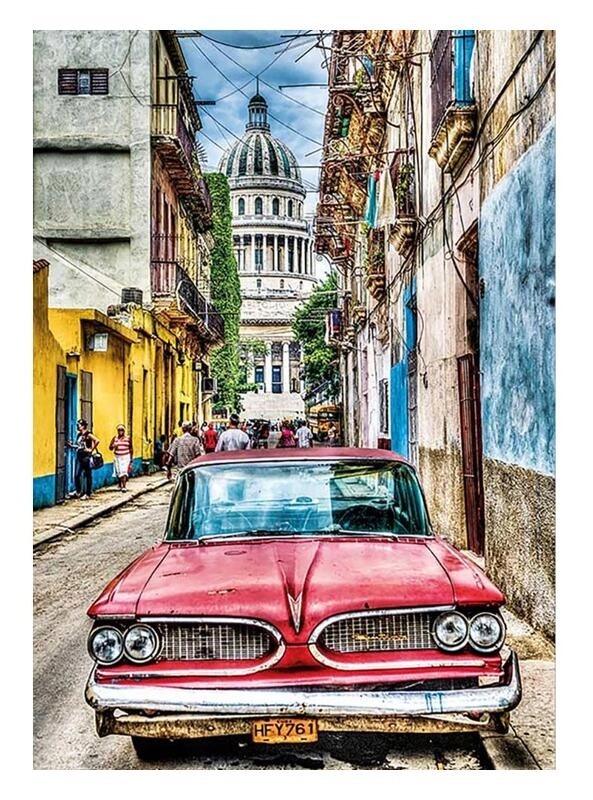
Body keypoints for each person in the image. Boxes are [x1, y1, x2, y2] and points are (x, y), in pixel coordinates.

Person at [67, 419, 100, 499]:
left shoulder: (88, 434)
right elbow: (80, 446)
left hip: (86, 457)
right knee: (77, 475)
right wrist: (72, 446)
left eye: (79, 425)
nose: (77, 426)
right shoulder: (79, 435)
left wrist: (91, 449)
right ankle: (78, 491)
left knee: (88, 475)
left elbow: (97, 440)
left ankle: (87, 493)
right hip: (80, 456)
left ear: (83, 426)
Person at [109, 424, 133, 491]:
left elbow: (131, 448)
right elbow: (110, 448)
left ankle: (124, 486)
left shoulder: (128, 438)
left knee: (124, 471)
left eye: (122, 430)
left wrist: (131, 459)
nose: (120, 431)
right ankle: (120, 484)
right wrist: (113, 446)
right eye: (119, 430)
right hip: (117, 456)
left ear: (124, 430)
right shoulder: (115, 438)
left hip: (125, 456)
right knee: (118, 471)